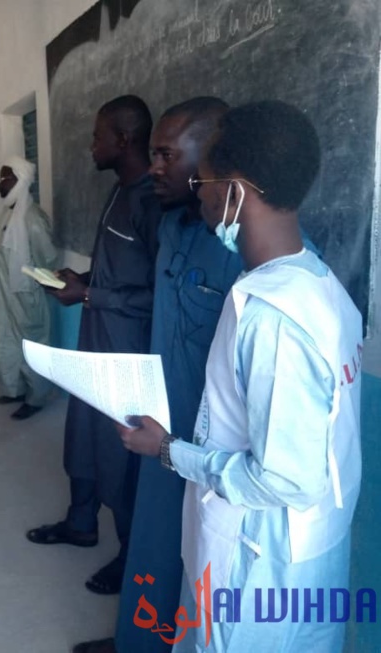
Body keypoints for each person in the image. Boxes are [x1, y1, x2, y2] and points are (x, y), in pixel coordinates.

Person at [117, 101, 361, 652]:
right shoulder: (323, 286)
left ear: (234, 192)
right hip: (309, 551)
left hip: (259, 566)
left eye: (203, 180)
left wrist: (168, 450)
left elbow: (283, 479)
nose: (197, 193)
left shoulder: (270, 314)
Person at [73, 98, 241, 653]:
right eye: (154, 154)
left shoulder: (242, 254)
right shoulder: (174, 226)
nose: (155, 168)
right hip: (159, 416)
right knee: (151, 541)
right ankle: (136, 640)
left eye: (168, 155)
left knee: (203, 560)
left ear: (211, 157)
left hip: (208, 437)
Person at [27, 96, 161, 596]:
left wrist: (91, 293)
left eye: (98, 136)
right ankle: (80, 524)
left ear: (123, 140)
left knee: (120, 460)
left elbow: (157, 295)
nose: (91, 145)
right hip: (95, 342)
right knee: (81, 439)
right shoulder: (119, 191)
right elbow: (116, 273)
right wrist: (78, 279)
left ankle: (131, 558)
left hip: (126, 358)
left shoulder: (151, 202)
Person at [0, 155, 59, 420]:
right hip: (4, 294)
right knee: (8, 340)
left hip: (26, 294)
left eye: (6, 177)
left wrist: (34, 282)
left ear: (21, 180)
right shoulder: (9, 212)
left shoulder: (32, 217)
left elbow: (47, 258)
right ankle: (14, 388)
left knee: (32, 344)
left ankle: (37, 396)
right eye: (0, 177)